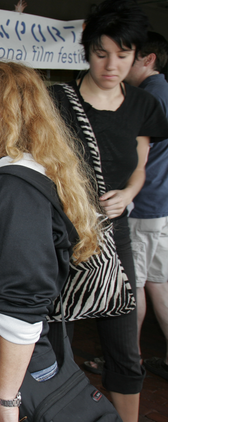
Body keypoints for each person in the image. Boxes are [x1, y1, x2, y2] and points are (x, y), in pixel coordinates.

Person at [0, 61, 101, 422]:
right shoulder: (3, 177)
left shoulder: (14, 189)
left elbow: (20, 306)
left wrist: (6, 402)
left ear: (3, 115)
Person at [48, 0, 168, 421]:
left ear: (137, 56)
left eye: (123, 55)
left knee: (124, 346)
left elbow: (140, 163)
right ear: (87, 50)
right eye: (101, 53)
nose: (111, 64)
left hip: (115, 235)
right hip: (59, 236)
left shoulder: (144, 105)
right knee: (52, 344)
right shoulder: (54, 101)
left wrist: (129, 194)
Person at [124, 31, 168, 380]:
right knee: (159, 284)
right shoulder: (169, 91)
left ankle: (128, 360)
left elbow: (137, 158)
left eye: (130, 55)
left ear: (148, 58)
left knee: (133, 285)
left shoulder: (149, 98)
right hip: (164, 202)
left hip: (144, 203)